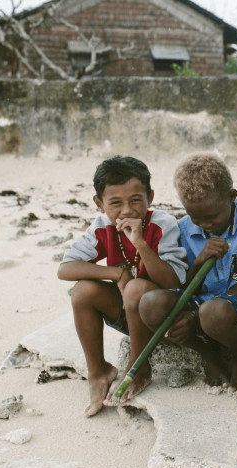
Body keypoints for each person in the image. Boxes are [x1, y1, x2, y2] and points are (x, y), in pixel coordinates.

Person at [58, 156, 187, 417]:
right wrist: (117, 273)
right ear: (99, 203)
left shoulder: (163, 224)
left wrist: (140, 243)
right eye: (115, 203)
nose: (127, 211)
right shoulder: (102, 227)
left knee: (136, 288)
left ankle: (138, 366)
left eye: (136, 200)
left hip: (160, 313)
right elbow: (65, 269)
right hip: (128, 312)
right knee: (83, 291)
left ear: (150, 197)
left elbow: (173, 281)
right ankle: (98, 371)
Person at [138, 153, 237, 391]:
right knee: (150, 304)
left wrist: (193, 317)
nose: (206, 225)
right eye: (196, 218)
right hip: (202, 302)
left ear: (231, 197)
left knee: (214, 313)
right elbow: (184, 285)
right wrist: (199, 261)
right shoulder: (182, 228)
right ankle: (208, 353)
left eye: (212, 216)